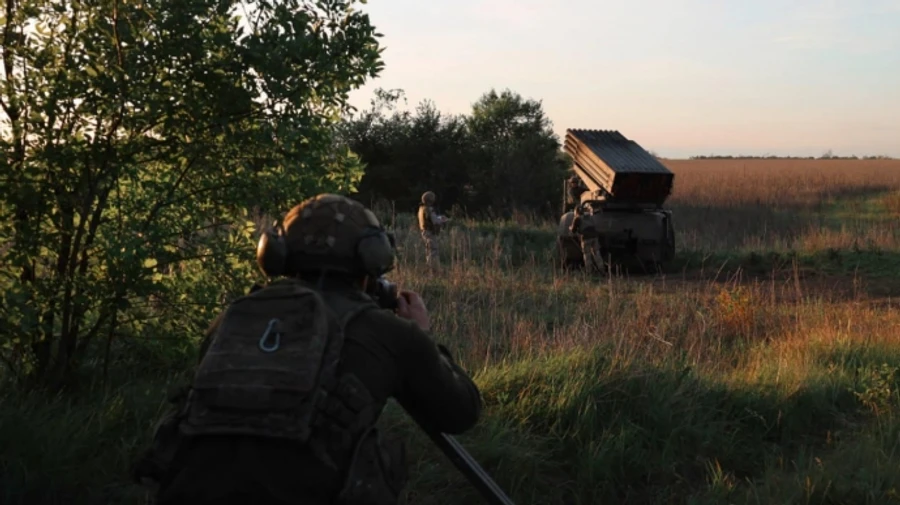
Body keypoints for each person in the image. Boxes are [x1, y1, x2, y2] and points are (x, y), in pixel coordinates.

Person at [133, 194, 482, 505]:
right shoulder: (388, 332)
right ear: (371, 258)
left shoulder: (234, 319)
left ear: (277, 255)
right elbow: (460, 412)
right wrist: (423, 335)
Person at [417, 191, 450, 269]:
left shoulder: (421, 209)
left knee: (428, 249)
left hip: (424, 231)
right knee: (433, 249)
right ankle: (432, 268)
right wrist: (443, 220)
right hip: (430, 232)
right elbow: (435, 221)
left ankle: (429, 266)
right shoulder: (429, 209)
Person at [569, 204, 604, 274]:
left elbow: (573, 230)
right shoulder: (589, 216)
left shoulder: (577, 218)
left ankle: (589, 271)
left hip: (586, 238)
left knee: (587, 255)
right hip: (594, 237)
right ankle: (601, 269)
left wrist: (570, 228)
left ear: (576, 211)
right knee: (597, 253)